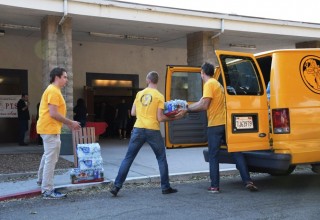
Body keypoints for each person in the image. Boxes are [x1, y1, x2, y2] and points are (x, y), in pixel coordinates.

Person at [182, 62, 258, 193]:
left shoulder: (209, 84)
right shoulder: (218, 84)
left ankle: (214, 186)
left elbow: (204, 104)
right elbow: (202, 101)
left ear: (202, 73)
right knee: (236, 152)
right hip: (226, 124)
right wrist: (188, 107)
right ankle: (248, 181)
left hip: (215, 125)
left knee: (213, 156)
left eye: (201, 72)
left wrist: (187, 109)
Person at [109, 71, 184, 196]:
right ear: (157, 81)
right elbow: (160, 118)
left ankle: (116, 186)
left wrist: (143, 113)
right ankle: (165, 187)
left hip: (138, 128)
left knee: (128, 158)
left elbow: (133, 112)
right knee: (161, 158)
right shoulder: (159, 96)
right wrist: (174, 118)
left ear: (147, 80)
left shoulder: (139, 94)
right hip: (152, 129)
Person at [36, 67, 81, 199]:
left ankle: (41, 181)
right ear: (57, 77)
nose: (67, 80)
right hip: (50, 129)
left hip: (48, 128)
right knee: (51, 159)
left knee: (47, 155)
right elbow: (54, 113)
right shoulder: (54, 91)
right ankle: (47, 190)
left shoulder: (52, 90)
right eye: (65, 77)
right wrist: (70, 123)